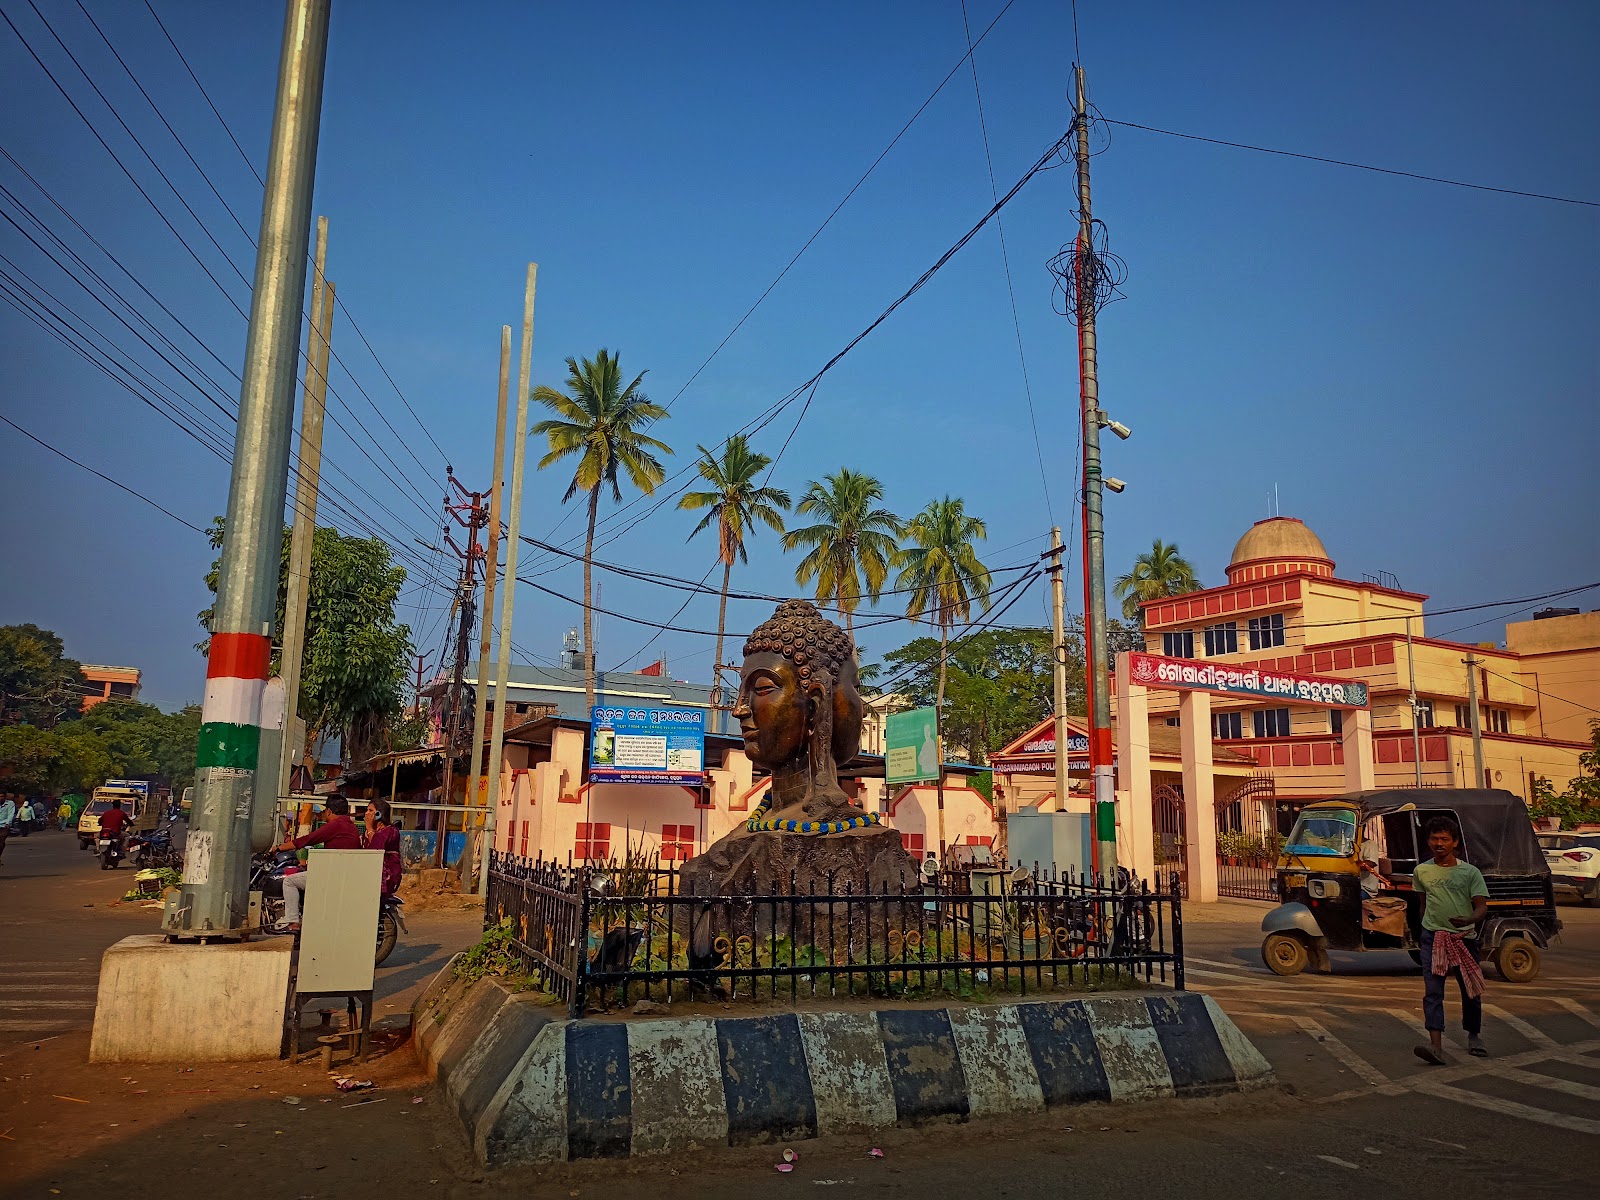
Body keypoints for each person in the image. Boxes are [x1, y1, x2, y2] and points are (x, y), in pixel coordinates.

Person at [1412, 816, 1489, 1065]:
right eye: (1435, 838)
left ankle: (1474, 1035)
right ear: (1428, 842)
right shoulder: (1422, 871)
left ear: (1455, 842)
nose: (1439, 843)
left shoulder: (1470, 872)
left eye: (1445, 839)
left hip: (1464, 938)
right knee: (1433, 992)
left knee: (1470, 990)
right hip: (1433, 938)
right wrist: (1425, 931)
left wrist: (1468, 919)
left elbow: (1481, 908)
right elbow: (1423, 905)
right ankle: (1435, 1046)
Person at [273, 794, 361, 933]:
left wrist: (278, 848)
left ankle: (293, 921)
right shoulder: (351, 826)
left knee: (289, 882)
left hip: (331, 875)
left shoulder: (335, 825)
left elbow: (307, 839)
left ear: (329, 811)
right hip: (342, 872)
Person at [363, 798, 403, 898]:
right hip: (371, 873)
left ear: (379, 814)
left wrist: (369, 828)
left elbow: (376, 848)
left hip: (387, 875)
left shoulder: (390, 831)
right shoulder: (370, 831)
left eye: (371, 810)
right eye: (367, 810)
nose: (367, 813)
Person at [0, 794, 14, 864]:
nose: (0, 798)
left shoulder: (10, 803)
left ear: (5, 797)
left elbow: (11, 814)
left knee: (1, 843)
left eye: (2, 796)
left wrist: (8, 823)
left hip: (4, 825)